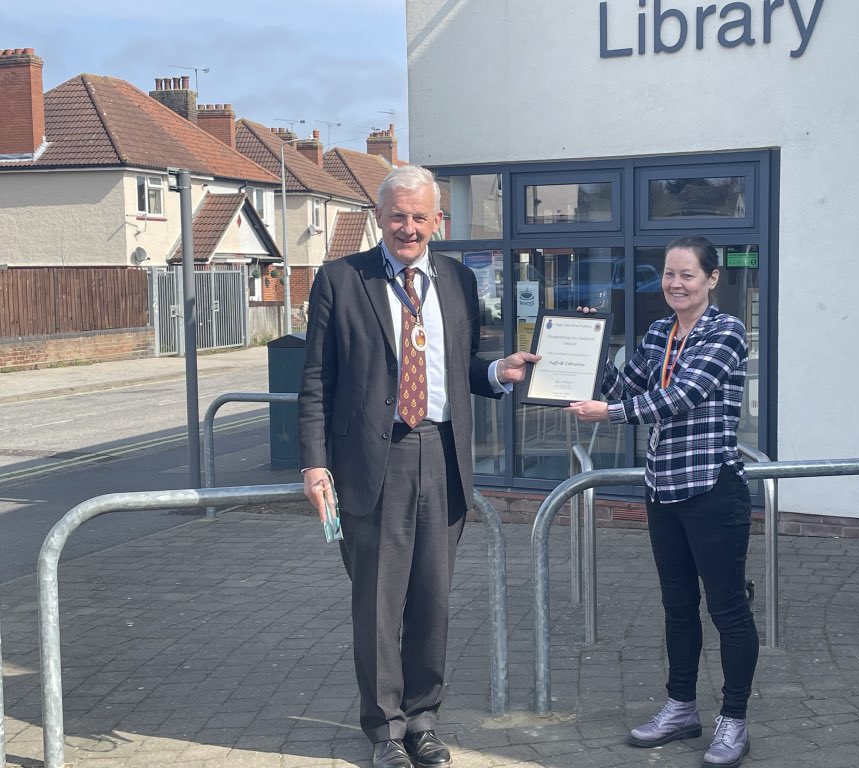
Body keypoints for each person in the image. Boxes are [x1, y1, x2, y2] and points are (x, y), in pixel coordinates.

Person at [298, 165, 538, 768]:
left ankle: (423, 720)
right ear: (380, 218)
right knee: (378, 603)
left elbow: (461, 368)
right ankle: (383, 730)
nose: (409, 227)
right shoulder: (339, 280)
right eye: (398, 215)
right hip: (372, 461)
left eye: (419, 216)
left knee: (432, 597)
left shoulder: (456, 280)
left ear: (438, 221)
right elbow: (315, 383)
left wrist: (495, 374)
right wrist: (314, 465)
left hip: (443, 455)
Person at [566, 235, 758, 768]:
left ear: (711, 279)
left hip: (712, 489)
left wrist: (609, 414)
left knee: (727, 608)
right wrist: (586, 343)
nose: (675, 283)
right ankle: (680, 708)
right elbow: (621, 386)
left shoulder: (727, 332)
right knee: (677, 606)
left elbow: (680, 398)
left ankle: (734, 720)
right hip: (662, 490)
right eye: (668, 274)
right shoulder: (657, 333)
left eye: (687, 275)